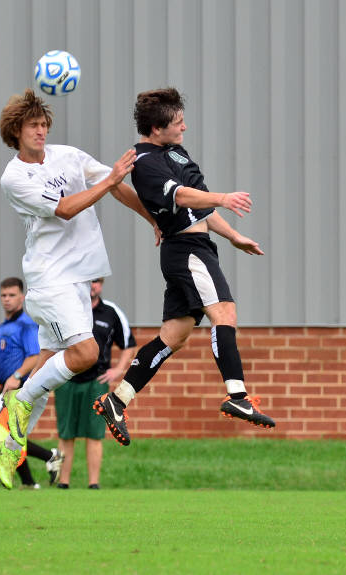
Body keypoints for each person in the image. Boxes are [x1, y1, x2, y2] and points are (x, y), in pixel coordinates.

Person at [0, 88, 159, 489]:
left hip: (79, 278)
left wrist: (152, 219)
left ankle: (6, 442)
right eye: (33, 126)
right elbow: (66, 209)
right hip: (50, 277)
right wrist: (111, 179)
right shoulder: (14, 177)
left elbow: (115, 185)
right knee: (86, 353)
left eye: (44, 124)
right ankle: (18, 403)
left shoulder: (68, 156)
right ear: (15, 131)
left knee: (48, 362)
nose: (41, 131)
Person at [94, 87, 275, 446]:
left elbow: (198, 206)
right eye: (177, 122)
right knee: (224, 313)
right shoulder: (144, 163)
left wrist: (233, 236)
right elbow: (180, 196)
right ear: (156, 128)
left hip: (198, 246)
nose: (184, 127)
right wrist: (224, 197)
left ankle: (117, 400)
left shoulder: (175, 151)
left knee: (173, 337)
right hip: (186, 251)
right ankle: (237, 396)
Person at [0, 276, 64, 488]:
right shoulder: (4, 327)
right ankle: (31, 480)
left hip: (22, 386)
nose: (7, 299)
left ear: (22, 297)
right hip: (8, 387)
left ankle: (48, 457)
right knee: (9, 435)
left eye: (12, 295)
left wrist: (16, 376)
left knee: (0, 433)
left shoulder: (26, 325)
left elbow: (35, 356)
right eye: (4, 295)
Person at [54, 278, 136, 489]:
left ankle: (93, 484)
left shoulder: (111, 312)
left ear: (102, 284)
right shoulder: (66, 310)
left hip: (96, 382)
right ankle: (63, 483)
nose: (93, 285)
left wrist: (118, 369)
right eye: (89, 281)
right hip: (66, 379)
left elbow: (129, 344)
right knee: (66, 433)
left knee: (95, 433)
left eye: (97, 281)